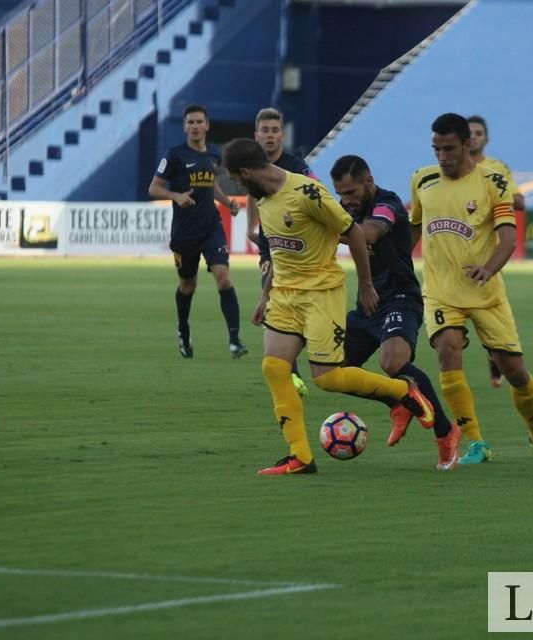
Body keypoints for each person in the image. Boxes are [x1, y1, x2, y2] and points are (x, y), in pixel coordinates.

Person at [223, 138, 436, 475]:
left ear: (246, 172)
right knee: (275, 368)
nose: (237, 185)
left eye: (236, 178)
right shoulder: (263, 197)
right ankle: (300, 457)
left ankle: (403, 391)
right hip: (284, 294)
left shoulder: (308, 193)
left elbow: (352, 233)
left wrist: (366, 285)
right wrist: (265, 296)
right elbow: (279, 251)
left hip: (320, 292)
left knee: (327, 377)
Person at [409, 112, 533, 465]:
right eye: (436, 149)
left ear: (467, 145)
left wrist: (488, 269)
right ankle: (474, 442)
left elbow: (507, 235)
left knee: (514, 371)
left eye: (449, 149)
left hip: (486, 292)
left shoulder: (493, 182)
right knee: (447, 347)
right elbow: (412, 230)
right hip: (441, 291)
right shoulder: (422, 180)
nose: (442, 157)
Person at [330, 154, 460, 470]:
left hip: (400, 298)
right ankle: (396, 400)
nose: (347, 201)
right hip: (368, 304)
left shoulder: (387, 204)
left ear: (369, 182)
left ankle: (446, 433)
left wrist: (320, 231)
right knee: (331, 367)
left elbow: (370, 233)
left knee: (393, 362)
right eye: (341, 195)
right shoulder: (346, 210)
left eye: (352, 193)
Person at [148, 104, 247, 360]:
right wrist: (176, 196)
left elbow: (210, 184)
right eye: (190, 122)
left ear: (207, 125)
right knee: (188, 285)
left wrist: (228, 203)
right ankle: (183, 330)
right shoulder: (175, 155)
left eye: (198, 122)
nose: (194, 126)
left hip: (211, 226)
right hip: (185, 232)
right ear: (184, 127)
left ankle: (235, 341)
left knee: (223, 277)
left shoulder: (214, 155)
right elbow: (154, 188)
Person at [247, 107, 315, 397]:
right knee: (273, 299)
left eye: (275, 130)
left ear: (282, 135)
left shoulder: (297, 167)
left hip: (300, 248)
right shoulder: (252, 166)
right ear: (256, 134)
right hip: (270, 246)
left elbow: (318, 192)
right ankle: (291, 371)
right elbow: (253, 194)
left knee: (299, 305)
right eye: (265, 130)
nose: (270, 136)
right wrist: (252, 226)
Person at [467, 114, 524, 388]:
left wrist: (488, 193)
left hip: (488, 251)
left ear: (486, 138)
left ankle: (496, 366)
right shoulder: (452, 170)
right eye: (470, 133)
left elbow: (520, 201)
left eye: (479, 133)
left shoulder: (497, 168)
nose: (474, 137)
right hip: (456, 250)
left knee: (488, 312)